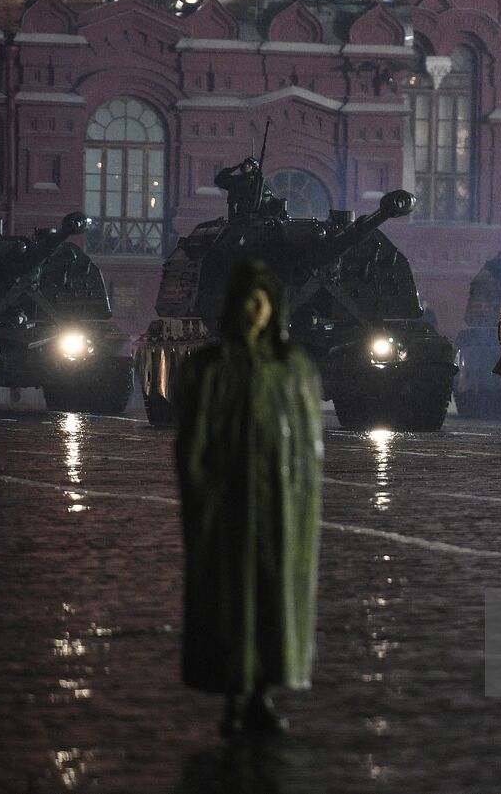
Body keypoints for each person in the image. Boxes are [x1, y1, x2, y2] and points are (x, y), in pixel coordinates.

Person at [174, 259, 324, 736]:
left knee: (273, 599)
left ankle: (263, 693)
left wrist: (303, 503)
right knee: (229, 600)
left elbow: (307, 442)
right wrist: (200, 495)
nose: (253, 311)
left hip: (279, 507)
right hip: (228, 504)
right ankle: (232, 697)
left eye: (260, 302)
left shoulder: (292, 368)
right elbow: (192, 440)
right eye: (245, 302)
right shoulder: (211, 367)